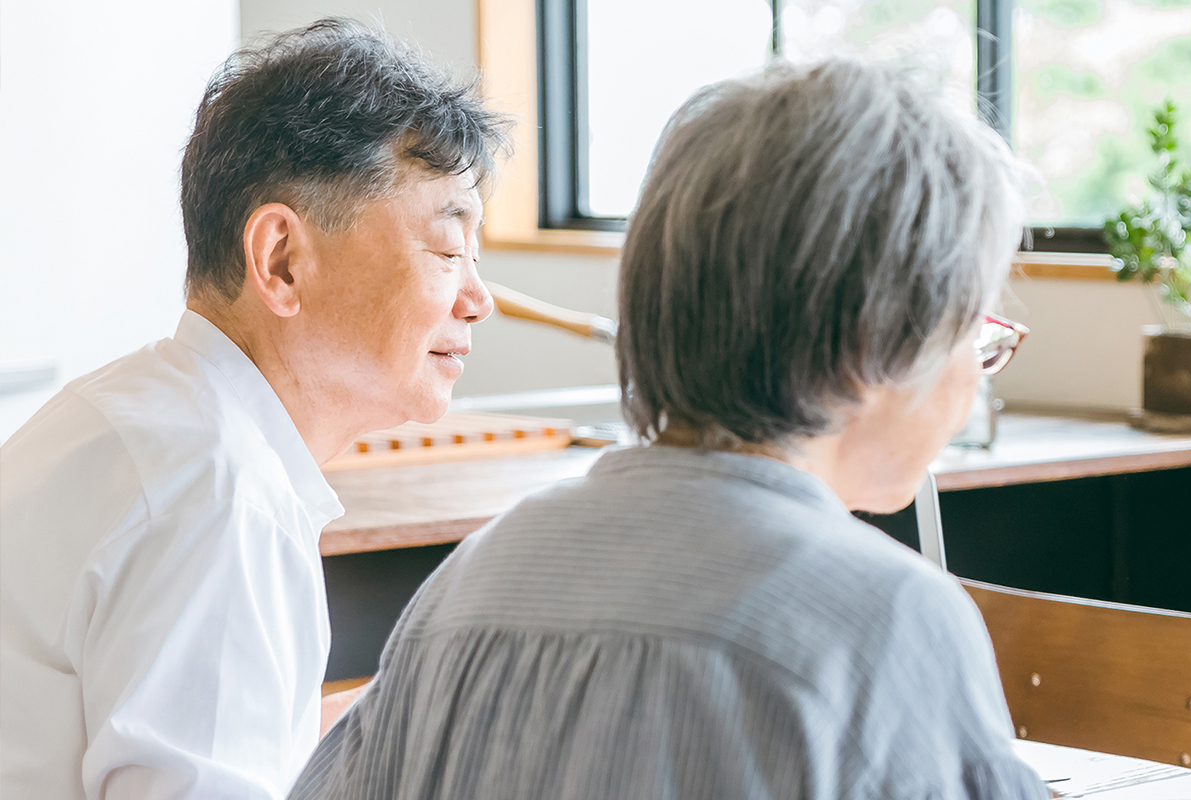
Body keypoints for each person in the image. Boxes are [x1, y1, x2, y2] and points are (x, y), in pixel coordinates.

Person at [288, 58, 1046, 800]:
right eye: (975, 330)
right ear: (878, 340)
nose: (978, 369)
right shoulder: (885, 621)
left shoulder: (473, 582)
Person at [0, 19, 505, 800]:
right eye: (447, 250)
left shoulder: (131, 418)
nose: (480, 299)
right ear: (281, 259)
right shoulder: (220, 495)